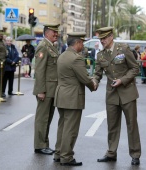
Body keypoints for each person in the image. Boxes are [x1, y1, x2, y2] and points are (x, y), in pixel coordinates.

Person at [94, 27, 141, 166]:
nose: (102, 41)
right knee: (112, 125)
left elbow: (135, 68)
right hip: (112, 94)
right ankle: (111, 153)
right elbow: (98, 73)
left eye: (104, 38)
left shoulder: (123, 48)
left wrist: (123, 80)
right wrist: (94, 82)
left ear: (111, 37)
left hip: (127, 92)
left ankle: (135, 154)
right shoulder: (100, 55)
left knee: (131, 125)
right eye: (100, 39)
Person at [53, 32, 96, 166]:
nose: (82, 46)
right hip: (72, 97)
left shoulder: (62, 56)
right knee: (71, 128)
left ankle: (58, 153)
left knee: (63, 126)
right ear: (77, 43)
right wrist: (93, 84)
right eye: (82, 43)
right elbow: (84, 78)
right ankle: (66, 157)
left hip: (61, 95)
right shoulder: (76, 58)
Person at [33, 23, 60, 155]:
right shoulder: (43, 46)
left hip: (52, 88)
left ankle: (44, 143)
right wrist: (40, 90)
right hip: (45, 89)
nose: (56, 34)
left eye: (57, 32)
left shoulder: (51, 46)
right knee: (42, 119)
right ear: (47, 33)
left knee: (47, 118)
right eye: (54, 32)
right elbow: (39, 71)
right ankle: (39, 145)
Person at [0, 30, 8, 97]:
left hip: (4, 61)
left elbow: (5, 50)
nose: (1, 35)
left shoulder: (2, 41)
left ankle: (0, 92)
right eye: (0, 34)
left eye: (2, 34)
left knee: (2, 78)